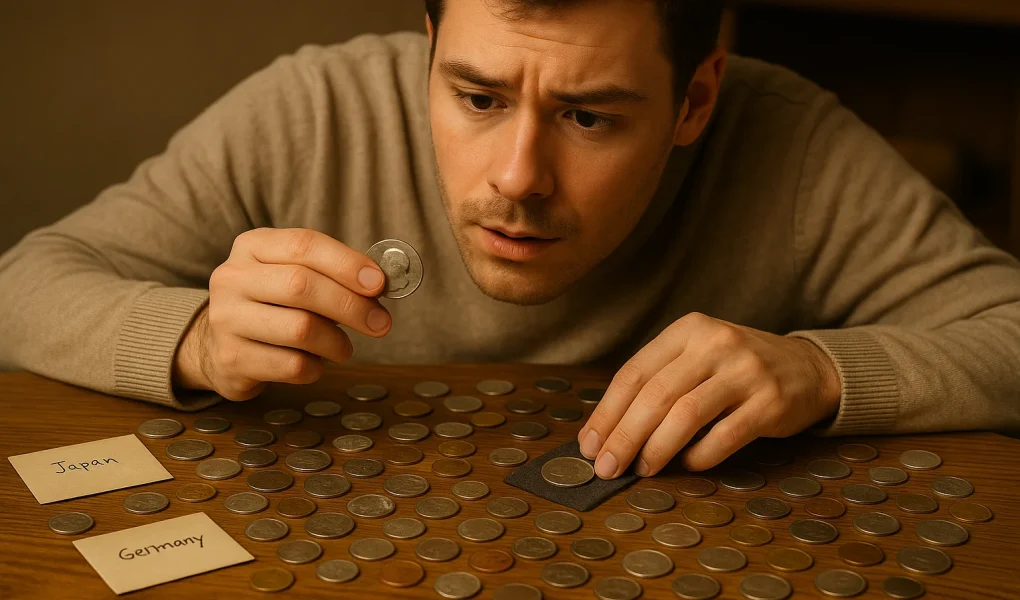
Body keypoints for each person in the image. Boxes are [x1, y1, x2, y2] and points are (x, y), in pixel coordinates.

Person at [2, 0, 1019, 481]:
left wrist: (817, 370)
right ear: (429, 50)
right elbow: (22, 285)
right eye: (477, 96)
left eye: (590, 117)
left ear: (695, 100)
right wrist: (196, 341)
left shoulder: (793, 144)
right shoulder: (310, 108)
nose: (517, 179)